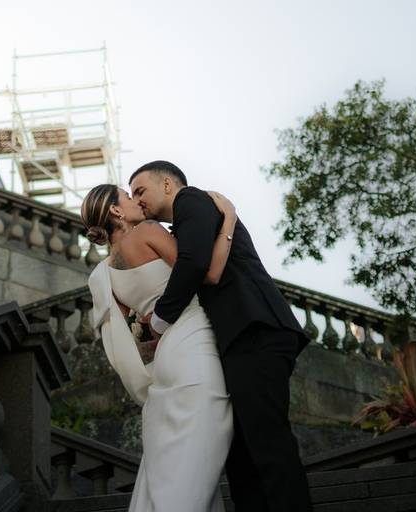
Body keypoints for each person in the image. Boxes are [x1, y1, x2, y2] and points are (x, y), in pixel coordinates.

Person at [130, 161, 311, 512]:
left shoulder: (192, 201)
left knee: (267, 445)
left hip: (256, 329)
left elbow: (197, 265)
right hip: (239, 339)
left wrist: (160, 321)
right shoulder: (184, 223)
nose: (138, 201)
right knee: (242, 456)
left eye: (140, 191)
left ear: (167, 184)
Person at [81, 183, 238, 511]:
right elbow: (205, 271)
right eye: (128, 196)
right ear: (115, 210)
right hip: (194, 344)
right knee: (197, 458)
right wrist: (228, 223)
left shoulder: (105, 275)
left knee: (176, 463)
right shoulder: (148, 231)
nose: (137, 201)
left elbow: (139, 343)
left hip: (165, 362)